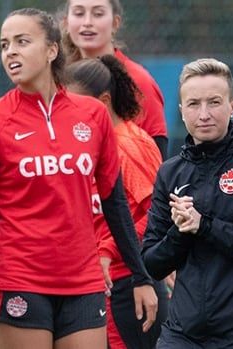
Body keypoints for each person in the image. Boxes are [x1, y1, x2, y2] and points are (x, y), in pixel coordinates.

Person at [0, 8, 157, 349]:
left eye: (22, 42)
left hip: (84, 281)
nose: (10, 52)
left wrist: (142, 277)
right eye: (4, 45)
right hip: (19, 278)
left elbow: (115, 203)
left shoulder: (92, 115)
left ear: (51, 50)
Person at [141, 58, 233, 348]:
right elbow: (152, 263)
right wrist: (180, 231)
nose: (204, 114)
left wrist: (205, 226)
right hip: (182, 333)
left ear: (232, 107)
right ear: (181, 111)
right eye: (194, 104)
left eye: (214, 102)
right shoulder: (170, 172)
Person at [64, 54, 169, 349]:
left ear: (104, 101)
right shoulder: (92, 146)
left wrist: (109, 249)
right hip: (99, 285)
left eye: (75, 104)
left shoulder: (128, 144)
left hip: (128, 282)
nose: (68, 112)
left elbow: (160, 215)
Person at [61, 0, 169, 159]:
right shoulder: (58, 79)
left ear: (115, 23)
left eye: (98, 14)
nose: (87, 22)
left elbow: (156, 159)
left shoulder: (138, 81)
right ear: (66, 22)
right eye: (79, 13)